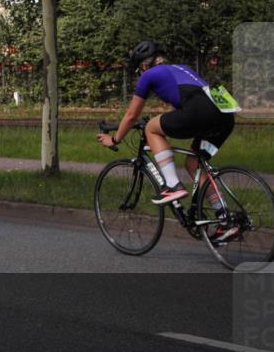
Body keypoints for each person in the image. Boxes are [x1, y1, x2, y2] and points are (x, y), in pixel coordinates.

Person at [97, 41, 236, 221]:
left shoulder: (149, 75)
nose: (141, 73)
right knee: (194, 163)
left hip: (199, 112)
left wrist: (115, 139)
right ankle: (224, 217)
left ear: (145, 65)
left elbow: (131, 115)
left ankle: (173, 185)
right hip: (225, 116)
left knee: (151, 129)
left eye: (140, 69)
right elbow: (182, 106)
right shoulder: (182, 69)